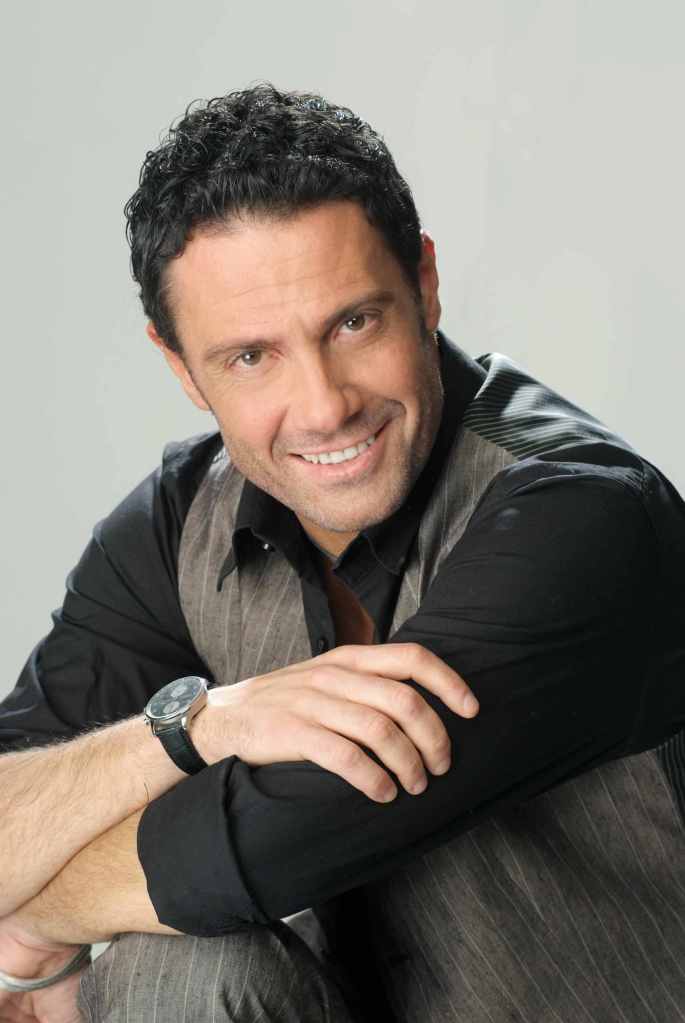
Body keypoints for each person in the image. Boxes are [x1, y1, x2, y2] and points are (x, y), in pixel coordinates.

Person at [1, 83, 684, 1023]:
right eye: (252, 357)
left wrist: (35, 919)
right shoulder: (177, 520)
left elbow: (271, 840)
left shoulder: (583, 512)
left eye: (353, 322)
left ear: (425, 284)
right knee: (185, 974)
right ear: (179, 365)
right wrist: (188, 729)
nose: (325, 406)